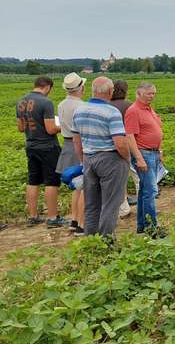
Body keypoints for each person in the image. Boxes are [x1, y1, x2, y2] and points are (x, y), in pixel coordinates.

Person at [71, 77, 130, 237]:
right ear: (110, 92)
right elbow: (120, 143)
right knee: (110, 204)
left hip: (89, 159)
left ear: (93, 91)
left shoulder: (80, 110)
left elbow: (76, 141)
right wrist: (127, 158)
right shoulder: (111, 112)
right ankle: (106, 241)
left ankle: (91, 239)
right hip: (110, 159)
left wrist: (83, 160)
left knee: (92, 204)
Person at [16, 76, 64, 227]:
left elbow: (21, 128)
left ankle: (33, 216)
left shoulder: (21, 101)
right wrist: (63, 127)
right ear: (48, 86)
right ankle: (52, 217)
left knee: (33, 180)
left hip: (30, 145)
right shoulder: (46, 102)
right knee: (52, 181)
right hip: (47, 146)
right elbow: (50, 129)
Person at [125, 82, 163, 234]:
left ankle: (142, 225)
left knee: (144, 191)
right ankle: (152, 227)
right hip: (144, 154)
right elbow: (130, 136)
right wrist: (139, 158)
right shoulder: (133, 111)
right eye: (149, 94)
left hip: (152, 153)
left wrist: (159, 149)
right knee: (151, 191)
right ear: (139, 93)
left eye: (154, 93)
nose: (152, 96)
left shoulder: (148, 109)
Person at [56, 72, 87, 235]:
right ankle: (81, 224)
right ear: (81, 88)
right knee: (84, 187)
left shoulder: (61, 104)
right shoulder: (81, 106)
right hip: (79, 146)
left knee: (76, 187)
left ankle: (74, 219)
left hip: (67, 145)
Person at [110, 79, 138, 218]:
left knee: (120, 179)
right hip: (129, 144)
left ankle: (123, 206)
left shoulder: (107, 106)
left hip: (112, 146)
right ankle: (143, 202)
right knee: (137, 175)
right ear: (126, 90)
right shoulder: (130, 106)